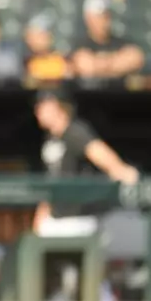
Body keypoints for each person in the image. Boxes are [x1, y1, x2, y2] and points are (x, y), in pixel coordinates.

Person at [33, 89, 139, 236]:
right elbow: (51, 179)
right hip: (57, 217)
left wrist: (120, 169)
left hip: (78, 219)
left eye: (43, 107)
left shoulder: (75, 132)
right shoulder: (51, 138)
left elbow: (99, 152)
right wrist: (42, 213)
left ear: (59, 107)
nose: (38, 112)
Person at [71, 0, 144, 78]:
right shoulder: (79, 45)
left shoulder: (120, 42)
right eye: (101, 16)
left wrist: (99, 64)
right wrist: (117, 63)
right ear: (89, 18)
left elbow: (135, 59)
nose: (106, 20)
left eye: (108, 15)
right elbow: (86, 66)